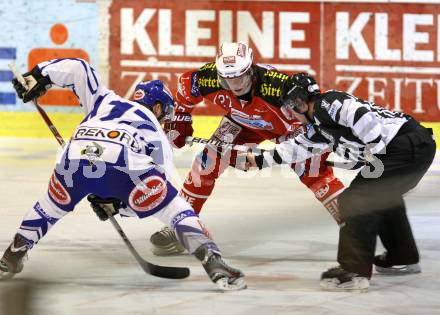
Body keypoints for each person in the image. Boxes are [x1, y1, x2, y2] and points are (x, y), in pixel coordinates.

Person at [0, 58, 246, 291]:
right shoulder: (153, 128)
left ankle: (11, 256)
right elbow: (156, 189)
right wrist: (119, 204)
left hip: (73, 158)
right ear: (158, 107)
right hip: (123, 160)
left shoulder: (104, 100)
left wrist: (39, 75)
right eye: (166, 113)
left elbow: (79, 69)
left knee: (49, 208)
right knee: (177, 211)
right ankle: (214, 262)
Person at [238, 72, 436, 291]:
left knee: (356, 199)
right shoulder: (319, 127)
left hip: (405, 146)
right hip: (416, 145)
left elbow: (360, 114)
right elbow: (294, 149)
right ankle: (402, 257)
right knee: (383, 197)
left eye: (289, 107)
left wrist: (375, 152)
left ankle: (353, 271)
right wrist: (259, 160)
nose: (290, 114)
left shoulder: (327, 104)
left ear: (299, 102)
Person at [150, 41, 346, 255]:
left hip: (287, 130)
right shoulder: (206, 78)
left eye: (240, 76)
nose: (234, 84)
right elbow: (185, 89)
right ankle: (182, 225)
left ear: (251, 69)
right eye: (227, 78)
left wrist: (287, 151)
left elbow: (311, 119)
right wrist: (178, 122)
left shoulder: (276, 88)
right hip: (241, 122)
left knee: (316, 175)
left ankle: (355, 230)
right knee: (206, 163)